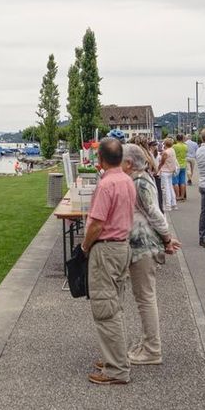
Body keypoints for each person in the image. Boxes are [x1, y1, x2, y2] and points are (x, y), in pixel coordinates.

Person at [81, 136, 135, 385]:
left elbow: (96, 223)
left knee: (105, 309)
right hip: (122, 246)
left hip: (106, 248)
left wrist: (84, 245)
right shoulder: (126, 180)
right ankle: (116, 356)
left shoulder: (106, 185)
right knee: (115, 305)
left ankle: (116, 369)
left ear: (100, 159)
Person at [122, 143, 181, 365]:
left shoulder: (139, 181)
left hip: (142, 245)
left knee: (145, 298)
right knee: (143, 297)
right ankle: (147, 342)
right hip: (142, 243)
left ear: (129, 163)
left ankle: (152, 349)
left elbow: (154, 212)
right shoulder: (140, 178)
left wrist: (167, 237)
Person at [158, 137, 179, 211]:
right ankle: (174, 204)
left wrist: (158, 169)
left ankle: (168, 206)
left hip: (165, 171)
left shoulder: (165, 152)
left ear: (165, 144)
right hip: (171, 171)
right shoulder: (172, 150)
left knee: (166, 189)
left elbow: (162, 162)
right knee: (170, 187)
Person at [173, 135, 189, 201]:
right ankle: (182, 196)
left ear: (176, 139)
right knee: (182, 181)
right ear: (182, 139)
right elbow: (186, 153)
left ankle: (177, 196)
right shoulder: (186, 146)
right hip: (183, 165)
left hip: (176, 165)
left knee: (175, 182)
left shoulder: (174, 146)